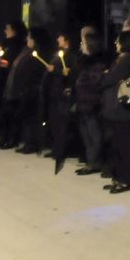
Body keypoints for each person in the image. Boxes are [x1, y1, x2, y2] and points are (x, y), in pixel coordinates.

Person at [99, 31, 130, 193]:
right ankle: (118, 177)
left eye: (118, 40)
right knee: (118, 144)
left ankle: (126, 179)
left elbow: (110, 78)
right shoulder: (126, 58)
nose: (116, 43)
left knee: (124, 144)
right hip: (118, 108)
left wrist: (105, 77)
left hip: (122, 108)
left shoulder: (128, 59)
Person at [74, 29, 111, 177]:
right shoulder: (85, 60)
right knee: (86, 134)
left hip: (91, 103)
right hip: (83, 102)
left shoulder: (97, 62)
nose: (81, 45)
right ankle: (91, 161)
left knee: (94, 134)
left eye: (83, 43)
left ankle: (94, 162)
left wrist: (81, 84)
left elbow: (96, 82)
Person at [43, 32, 77, 164]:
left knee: (61, 123)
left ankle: (61, 150)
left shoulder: (71, 56)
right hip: (54, 92)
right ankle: (55, 147)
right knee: (54, 121)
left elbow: (70, 73)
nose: (58, 39)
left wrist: (58, 71)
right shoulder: (58, 54)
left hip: (63, 93)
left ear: (66, 40)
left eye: (61, 37)